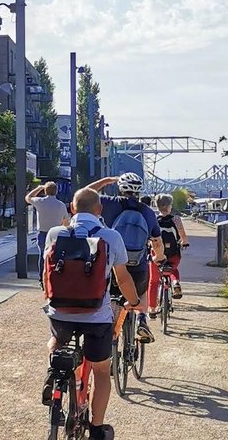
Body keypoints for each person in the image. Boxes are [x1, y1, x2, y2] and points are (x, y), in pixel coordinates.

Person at [42, 187, 142, 440]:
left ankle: (54, 373)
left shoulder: (55, 234)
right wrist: (134, 300)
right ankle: (97, 428)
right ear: (99, 210)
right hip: (96, 316)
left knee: (57, 339)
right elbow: (123, 277)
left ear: (72, 208)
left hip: (61, 312)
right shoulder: (111, 236)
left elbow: (46, 275)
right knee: (100, 370)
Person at [87, 173, 164, 343]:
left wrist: (107, 180)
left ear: (120, 188)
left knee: (111, 292)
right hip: (137, 265)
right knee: (141, 291)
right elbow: (157, 243)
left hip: (112, 264)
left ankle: (109, 330)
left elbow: (85, 194)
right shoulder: (148, 212)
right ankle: (142, 319)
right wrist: (159, 257)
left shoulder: (109, 203)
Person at [153, 193, 190, 300]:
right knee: (173, 269)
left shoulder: (154, 220)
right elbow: (183, 235)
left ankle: (153, 307)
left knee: (154, 278)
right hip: (173, 253)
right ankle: (175, 283)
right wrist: (184, 242)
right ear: (169, 206)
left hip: (158, 254)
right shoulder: (176, 219)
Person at [26, 179, 69, 256]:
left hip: (42, 233)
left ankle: (42, 268)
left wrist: (39, 188)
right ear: (56, 191)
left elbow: (28, 197)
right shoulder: (61, 205)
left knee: (42, 255)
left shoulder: (39, 201)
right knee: (55, 255)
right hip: (56, 233)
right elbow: (66, 222)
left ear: (45, 191)